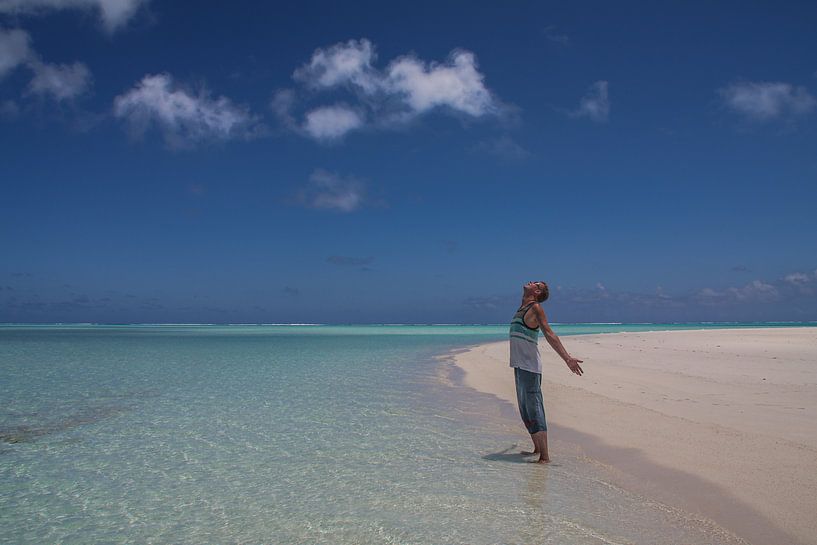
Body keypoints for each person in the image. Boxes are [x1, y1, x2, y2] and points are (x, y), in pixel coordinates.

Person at [510, 280, 583, 463]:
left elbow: (549, 334)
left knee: (534, 408)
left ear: (536, 293)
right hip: (519, 365)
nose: (531, 282)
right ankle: (536, 448)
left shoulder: (535, 308)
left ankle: (545, 457)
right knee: (525, 409)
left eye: (537, 284)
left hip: (530, 367)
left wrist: (567, 358)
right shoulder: (522, 308)